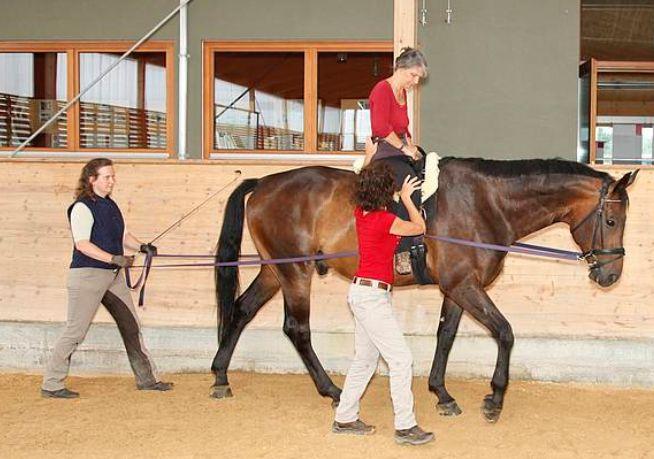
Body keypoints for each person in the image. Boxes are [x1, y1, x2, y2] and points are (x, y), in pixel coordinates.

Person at [41, 158, 172, 398]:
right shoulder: (82, 207)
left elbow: (123, 236)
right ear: (92, 180)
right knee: (75, 332)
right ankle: (52, 384)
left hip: (112, 277)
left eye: (113, 177)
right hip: (87, 276)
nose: (112, 181)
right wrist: (113, 258)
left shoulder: (110, 205)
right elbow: (82, 245)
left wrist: (142, 246)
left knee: (131, 326)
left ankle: (147, 380)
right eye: (107, 177)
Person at [332, 161, 435, 446]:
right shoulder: (385, 221)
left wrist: (370, 161)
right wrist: (405, 198)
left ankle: (345, 417)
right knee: (401, 360)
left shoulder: (361, 213)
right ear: (384, 192)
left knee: (365, 360)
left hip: (364, 293)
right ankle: (405, 425)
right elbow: (419, 227)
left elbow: (369, 186)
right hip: (372, 298)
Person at [366, 47, 428, 275]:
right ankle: (401, 251)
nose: (415, 81)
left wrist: (412, 147)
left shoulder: (402, 93)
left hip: (400, 150)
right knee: (411, 186)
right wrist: (404, 148)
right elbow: (381, 128)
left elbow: (403, 128)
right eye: (413, 75)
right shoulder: (382, 89)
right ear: (401, 69)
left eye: (418, 78)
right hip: (385, 153)